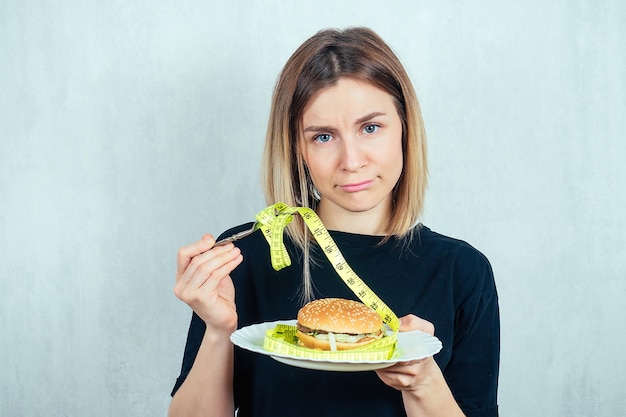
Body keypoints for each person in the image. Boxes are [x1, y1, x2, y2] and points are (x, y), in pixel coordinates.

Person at [169, 27, 499, 417]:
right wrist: (219, 331)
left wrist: (423, 382)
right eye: (324, 136)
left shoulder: (462, 272)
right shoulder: (243, 258)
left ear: (405, 129)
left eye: (370, 128)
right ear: (297, 148)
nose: (352, 160)